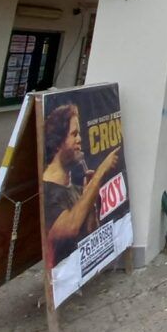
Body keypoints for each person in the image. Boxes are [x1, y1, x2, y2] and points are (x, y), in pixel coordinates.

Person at [42, 102, 120, 266]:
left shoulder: (76, 188)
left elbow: (90, 234)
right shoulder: (45, 191)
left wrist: (89, 196)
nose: (79, 139)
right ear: (58, 142)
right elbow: (70, 228)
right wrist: (100, 173)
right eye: (74, 134)